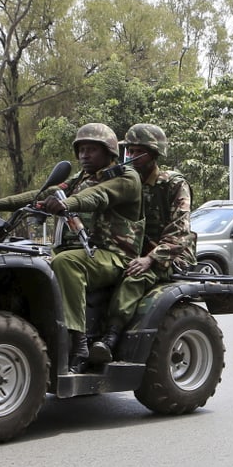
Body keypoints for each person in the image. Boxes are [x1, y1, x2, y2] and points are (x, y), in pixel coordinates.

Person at [0, 122, 143, 374]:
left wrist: (67, 204)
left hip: (115, 256)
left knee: (66, 263)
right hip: (87, 252)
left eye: (91, 149)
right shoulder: (80, 178)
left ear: (109, 152)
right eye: (81, 149)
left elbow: (98, 196)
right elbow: (45, 192)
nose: (84, 155)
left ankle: (78, 344)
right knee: (29, 262)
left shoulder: (125, 178)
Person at [87, 123, 196, 364]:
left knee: (134, 276)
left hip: (171, 253)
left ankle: (110, 337)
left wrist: (151, 258)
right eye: (130, 151)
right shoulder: (127, 180)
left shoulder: (173, 184)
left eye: (139, 152)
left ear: (155, 154)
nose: (132, 157)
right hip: (134, 248)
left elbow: (180, 230)